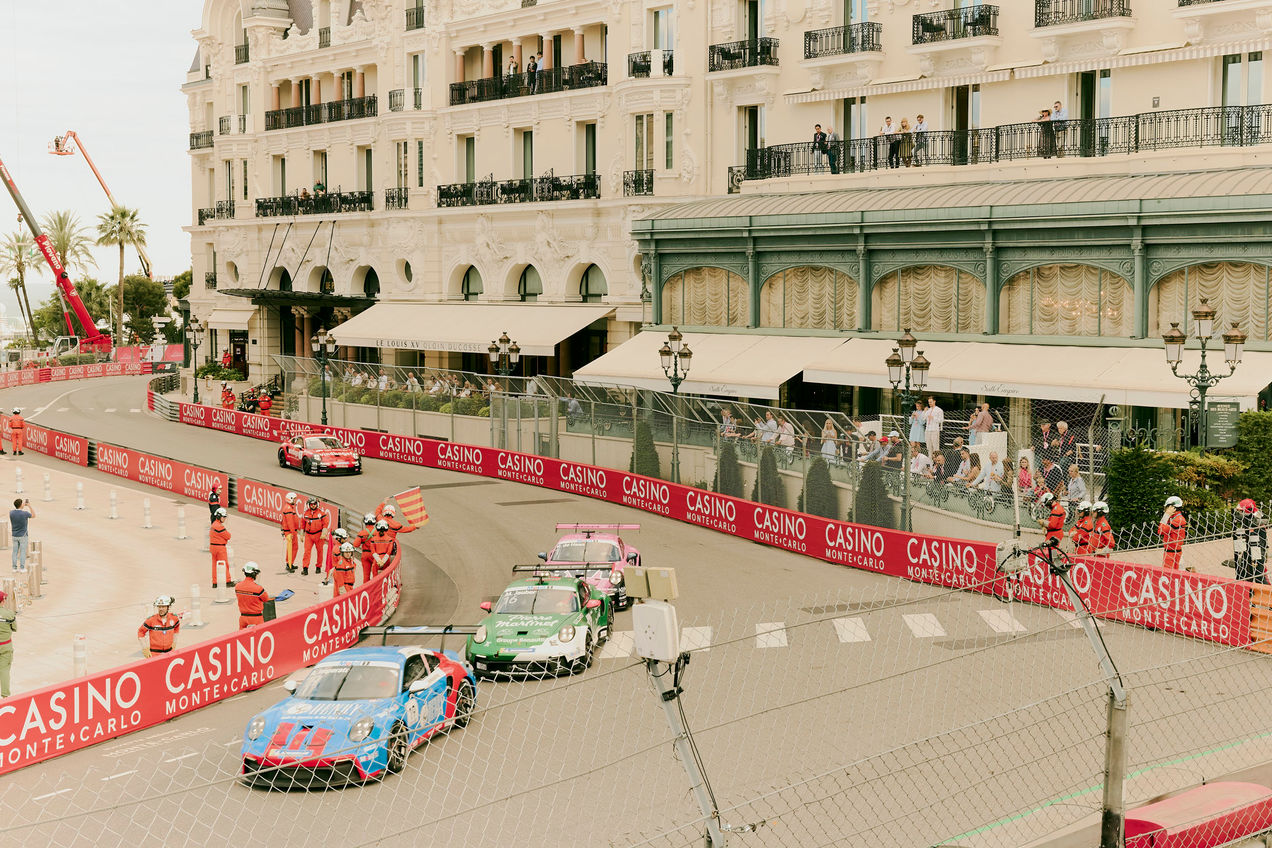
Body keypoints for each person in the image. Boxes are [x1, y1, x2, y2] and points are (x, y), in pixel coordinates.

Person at [1233, 499, 1268, 584]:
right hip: (1247, 547)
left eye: (1241, 511)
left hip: (1258, 547)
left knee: (1258, 572)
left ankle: (1263, 588)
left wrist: (1247, 516)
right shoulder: (1246, 518)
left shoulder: (1257, 516)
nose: (1238, 513)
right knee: (1244, 569)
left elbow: (1262, 521)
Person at [235, 562, 271, 629]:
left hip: (243, 619)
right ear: (255, 574)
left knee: (243, 638)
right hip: (256, 618)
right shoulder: (258, 589)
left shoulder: (237, 586)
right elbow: (266, 599)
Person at [301, 497, 329, 576]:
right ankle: (305, 568)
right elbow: (302, 524)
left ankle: (318, 567)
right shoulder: (305, 513)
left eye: (314, 504)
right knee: (307, 552)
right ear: (309, 505)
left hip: (319, 535)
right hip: (309, 535)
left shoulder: (321, 513)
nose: (313, 506)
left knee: (320, 551)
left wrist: (324, 533)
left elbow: (325, 523)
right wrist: (301, 534)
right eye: (311, 504)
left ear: (317, 504)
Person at [1159, 496, 1189, 571]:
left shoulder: (1177, 520)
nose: (1165, 509)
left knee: (1169, 576)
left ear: (1172, 507)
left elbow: (1160, 531)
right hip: (1174, 552)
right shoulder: (1176, 518)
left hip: (1172, 554)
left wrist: (1166, 515)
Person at [209, 507, 234, 588]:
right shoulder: (220, 526)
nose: (225, 519)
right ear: (219, 517)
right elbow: (228, 536)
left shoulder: (214, 524)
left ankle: (215, 582)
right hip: (220, 548)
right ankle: (227, 581)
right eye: (224, 517)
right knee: (224, 564)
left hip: (213, 547)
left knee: (214, 565)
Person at [9, 498, 33, 573]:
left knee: (15, 552)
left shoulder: (11, 513)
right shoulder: (25, 513)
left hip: (14, 535)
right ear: (21, 505)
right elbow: (34, 515)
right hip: (23, 535)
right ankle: (22, 568)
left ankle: (14, 568)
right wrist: (29, 506)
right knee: (22, 552)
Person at [280, 492, 301, 573]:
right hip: (290, 532)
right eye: (294, 499)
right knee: (292, 548)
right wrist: (293, 532)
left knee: (293, 548)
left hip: (290, 532)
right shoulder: (289, 509)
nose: (296, 500)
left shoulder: (289, 508)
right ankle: (289, 565)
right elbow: (290, 522)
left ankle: (290, 563)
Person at [355, 512, 378, 583]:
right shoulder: (378, 532)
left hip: (365, 555)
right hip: (376, 555)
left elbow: (356, 544)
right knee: (375, 574)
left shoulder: (362, 533)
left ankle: (366, 591)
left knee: (366, 576)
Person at [0, 590, 14, 697]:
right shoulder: (9, 614)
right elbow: (15, 628)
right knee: (4, 671)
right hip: (5, 646)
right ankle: (5, 696)